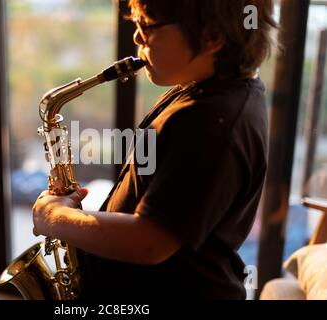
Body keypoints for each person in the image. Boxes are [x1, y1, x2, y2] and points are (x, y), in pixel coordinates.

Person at [32, 0, 278, 299]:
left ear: (212, 37)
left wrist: (54, 218)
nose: (136, 37)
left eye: (146, 25)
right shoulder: (202, 88)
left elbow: (148, 242)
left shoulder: (212, 123)